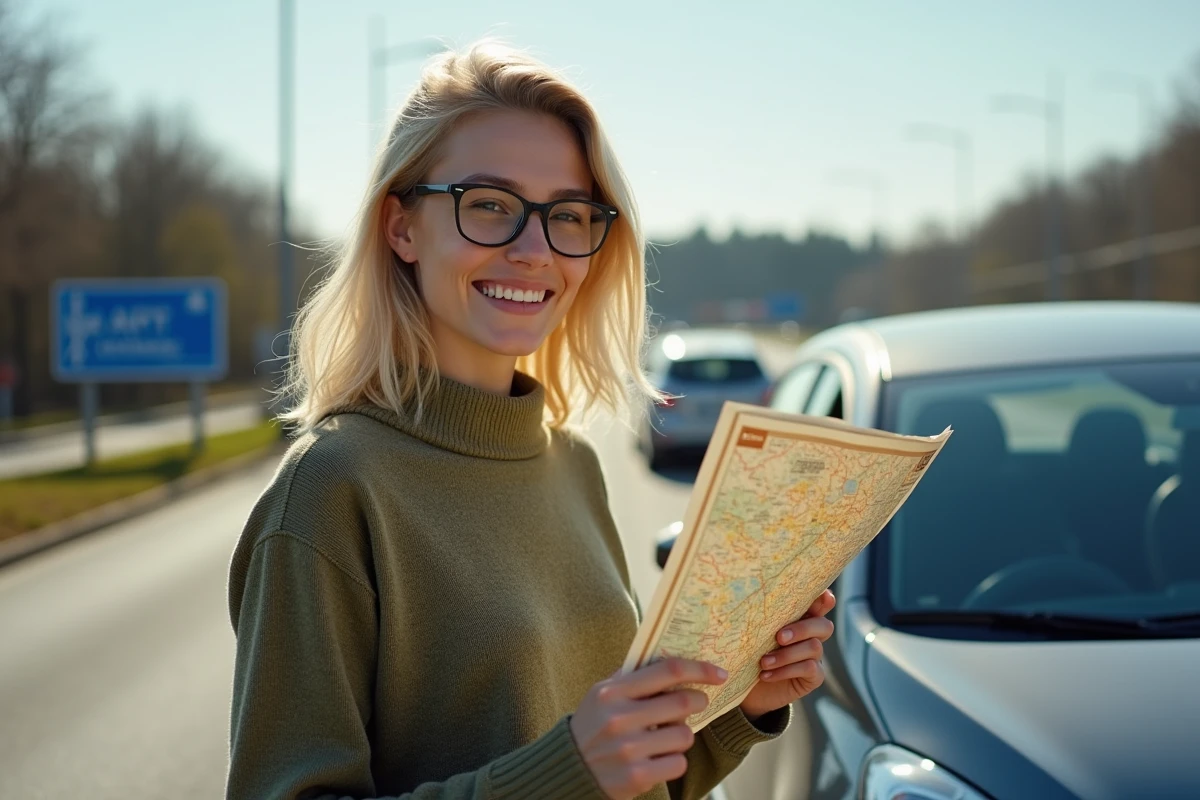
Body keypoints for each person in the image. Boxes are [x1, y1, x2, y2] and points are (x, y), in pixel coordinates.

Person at [225, 41, 835, 800]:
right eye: (489, 205)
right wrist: (567, 771)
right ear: (402, 228)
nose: (534, 249)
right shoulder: (330, 489)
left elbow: (628, 781)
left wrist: (743, 707)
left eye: (568, 215)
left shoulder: (571, 463)